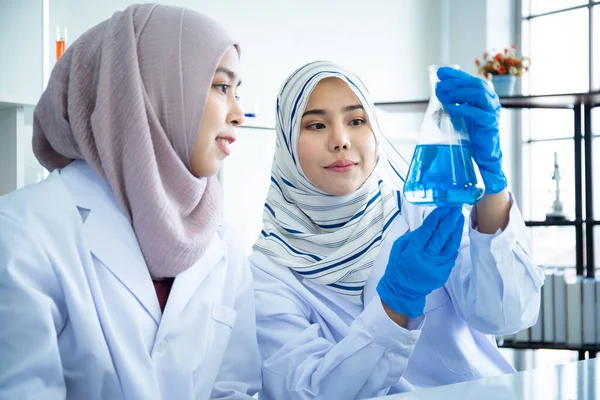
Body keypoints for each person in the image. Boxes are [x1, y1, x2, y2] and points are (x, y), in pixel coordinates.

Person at [0, 4, 260, 399]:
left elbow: (235, 388)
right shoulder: (22, 232)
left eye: (237, 91)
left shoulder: (224, 242)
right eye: (222, 87)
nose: (239, 113)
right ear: (151, 90)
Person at [250, 61, 544, 399]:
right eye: (316, 125)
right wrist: (395, 304)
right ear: (286, 143)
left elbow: (507, 314)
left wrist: (492, 182)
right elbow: (307, 392)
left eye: (356, 121)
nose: (341, 140)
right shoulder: (268, 274)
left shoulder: (423, 212)